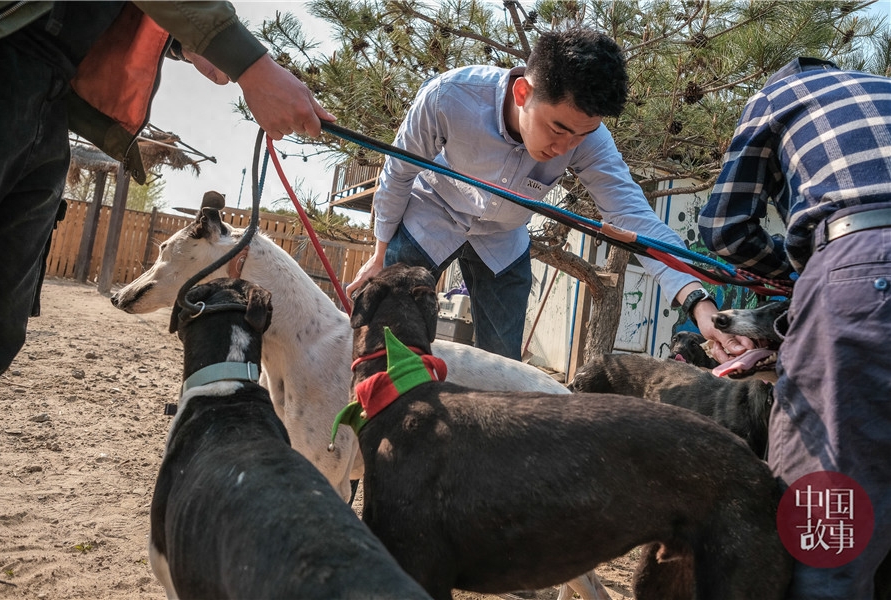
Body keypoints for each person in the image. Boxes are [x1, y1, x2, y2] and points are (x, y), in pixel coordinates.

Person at [346, 27, 741, 361]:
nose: (566, 147)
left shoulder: (587, 137)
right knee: (386, 342)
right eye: (557, 129)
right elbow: (398, 172)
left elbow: (632, 215)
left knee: (501, 363)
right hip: (433, 211)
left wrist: (699, 304)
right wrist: (380, 252)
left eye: (580, 135)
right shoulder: (450, 97)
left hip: (503, 237)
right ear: (522, 93)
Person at [0, 1, 335, 380]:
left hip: (52, 95)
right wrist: (252, 66)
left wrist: (179, 41)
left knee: (1, 324)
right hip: (5, 56)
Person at [699, 57, 891, 599]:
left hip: (862, 263)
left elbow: (723, 227)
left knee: (824, 517)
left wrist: (801, 275)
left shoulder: (776, 96)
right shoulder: (882, 90)